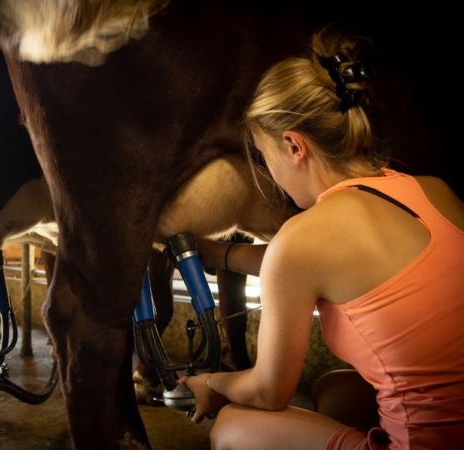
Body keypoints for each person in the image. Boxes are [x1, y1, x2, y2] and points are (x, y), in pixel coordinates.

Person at [181, 27, 464, 450]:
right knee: (335, 389)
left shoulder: (304, 238)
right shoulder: (429, 189)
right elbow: (330, 265)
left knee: (233, 425)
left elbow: (267, 390)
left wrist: (212, 382)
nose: (270, 175)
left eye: (264, 156)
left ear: (294, 146)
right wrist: (219, 255)